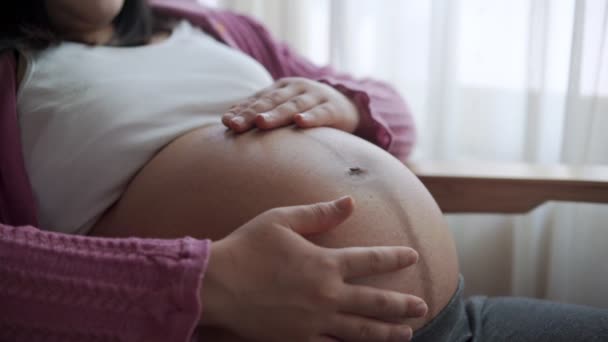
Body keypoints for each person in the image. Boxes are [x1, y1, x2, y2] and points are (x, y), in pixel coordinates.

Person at [1, 1, 607, 342]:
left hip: (452, 327)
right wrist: (201, 285)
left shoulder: (213, 28)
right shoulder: (17, 65)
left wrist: (343, 105)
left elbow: (389, 104)